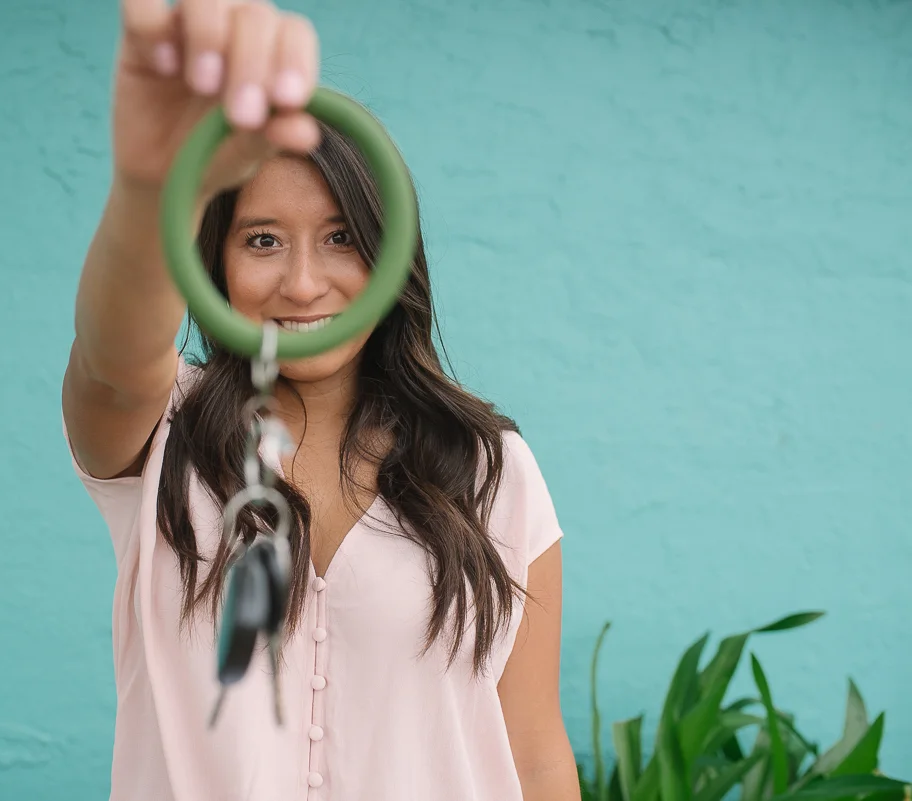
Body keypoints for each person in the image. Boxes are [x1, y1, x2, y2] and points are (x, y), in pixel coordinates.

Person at [61, 1, 581, 798]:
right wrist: (151, 185)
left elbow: (535, 750)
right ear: (215, 259)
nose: (303, 283)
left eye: (339, 237)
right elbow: (110, 361)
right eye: (262, 239)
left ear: (387, 252)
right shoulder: (162, 431)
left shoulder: (491, 468)